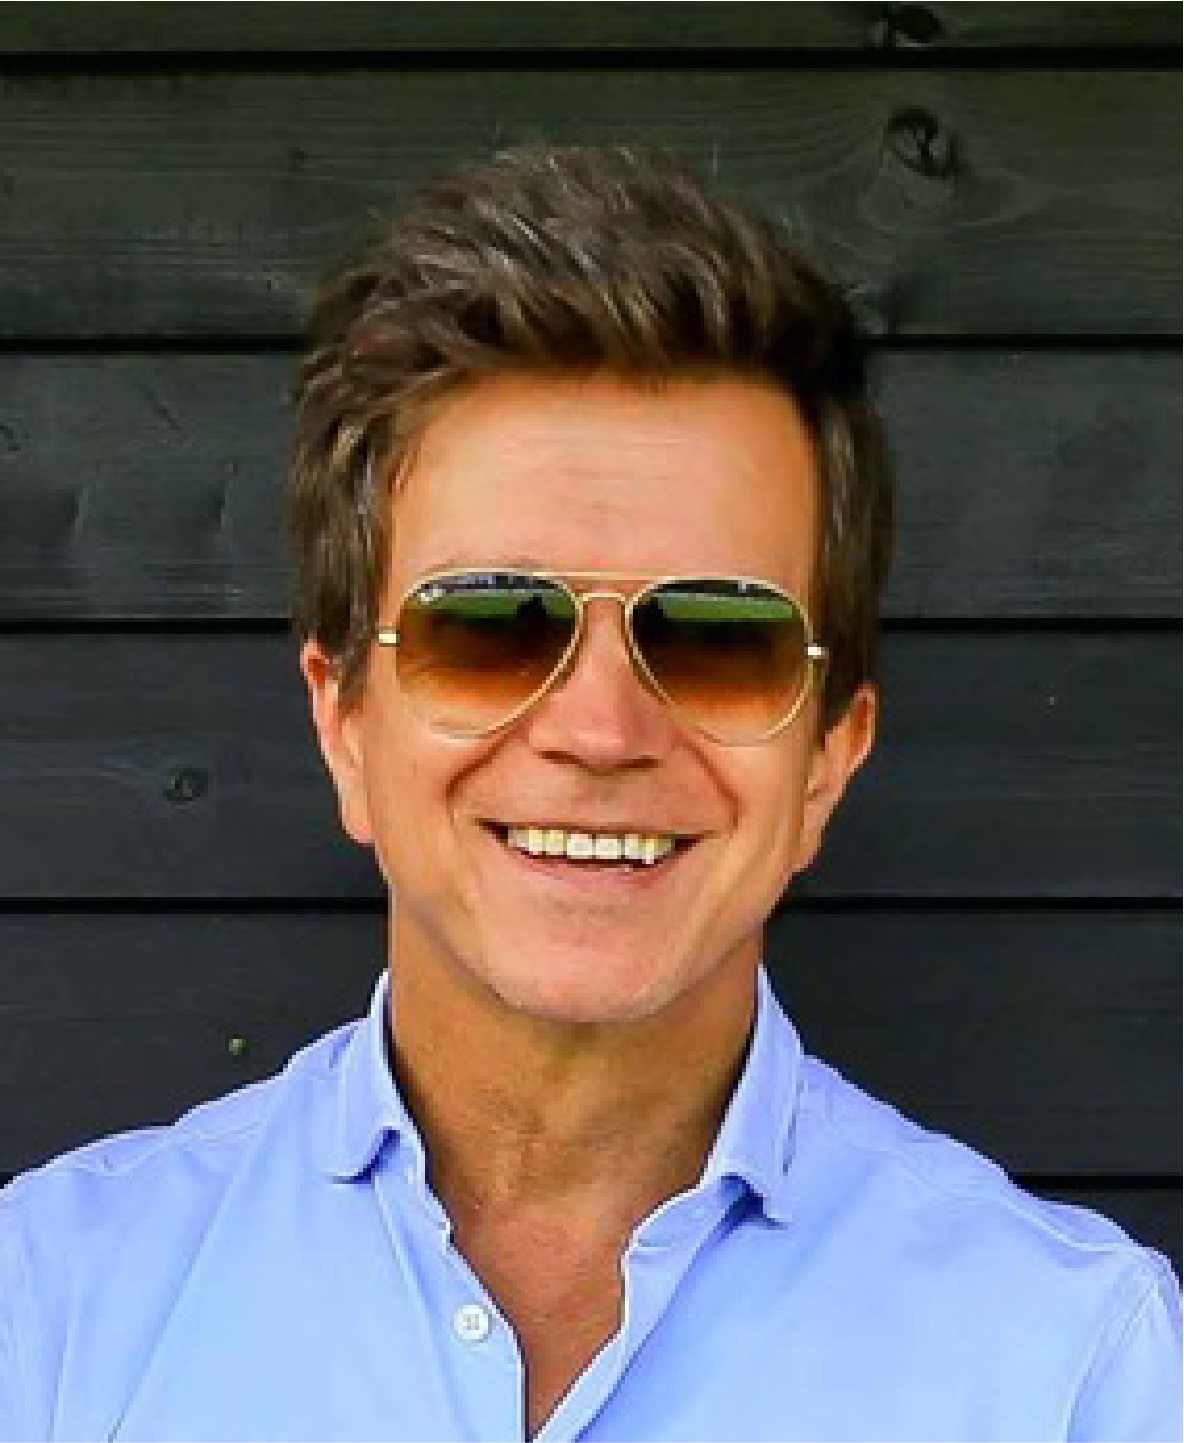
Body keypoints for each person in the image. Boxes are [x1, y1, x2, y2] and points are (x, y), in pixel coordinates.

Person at [1, 144, 1179, 1443]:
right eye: (489, 626)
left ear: (827, 761)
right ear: (345, 726)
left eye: (720, 638)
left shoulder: (1082, 1374)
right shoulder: (47, 1317)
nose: (602, 731)